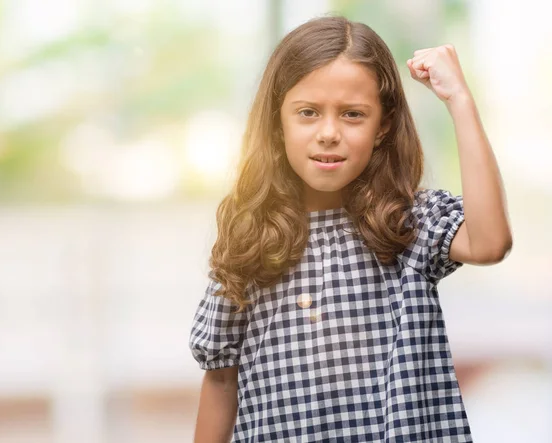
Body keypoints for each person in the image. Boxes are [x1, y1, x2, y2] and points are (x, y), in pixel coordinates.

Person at [188, 16, 512, 442]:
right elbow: (220, 379)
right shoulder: (250, 236)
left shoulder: (409, 223)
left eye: (352, 115)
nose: (328, 133)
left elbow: (490, 242)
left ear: (383, 126)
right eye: (307, 113)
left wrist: (459, 101)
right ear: (277, 121)